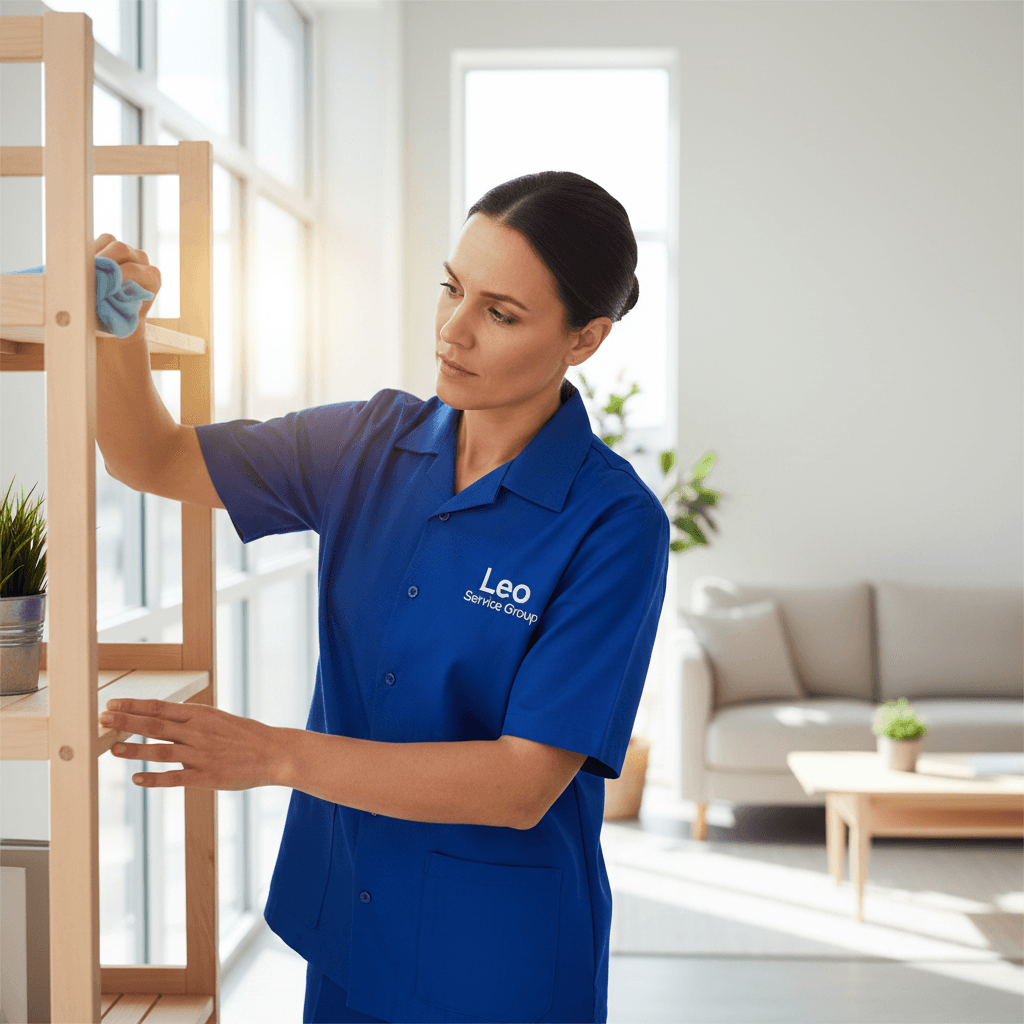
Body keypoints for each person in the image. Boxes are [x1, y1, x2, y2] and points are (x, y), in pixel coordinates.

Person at [94, 170, 670, 1024]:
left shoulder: (613, 523)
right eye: (451, 288)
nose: (453, 330)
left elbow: (520, 783)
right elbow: (152, 458)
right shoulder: (368, 442)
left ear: (584, 339)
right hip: (350, 923)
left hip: (497, 958)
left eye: (500, 313)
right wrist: (116, 327)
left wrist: (274, 755)